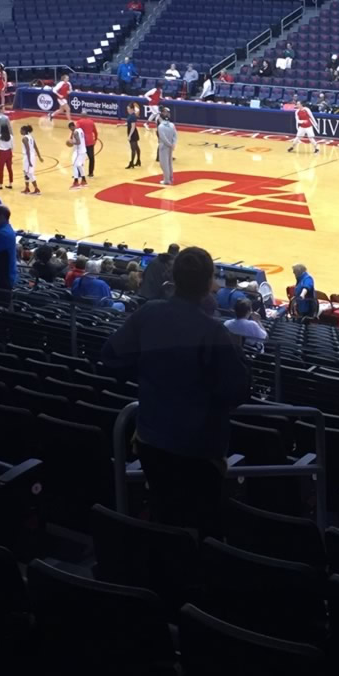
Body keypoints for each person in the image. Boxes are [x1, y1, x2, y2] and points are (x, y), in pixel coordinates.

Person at [97, 246, 251, 533]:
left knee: (163, 510)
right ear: (208, 284)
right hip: (199, 449)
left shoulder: (148, 314)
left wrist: (150, 372)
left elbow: (110, 358)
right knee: (199, 523)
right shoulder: (214, 332)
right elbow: (239, 390)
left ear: (174, 279)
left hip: (151, 440)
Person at [156, 111, 178, 186]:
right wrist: (173, 144)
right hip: (170, 146)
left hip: (164, 147)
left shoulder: (160, 127)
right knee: (169, 163)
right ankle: (170, 177)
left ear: (160, 118)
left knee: (164, 164)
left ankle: (166, 180)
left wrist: (169, 144)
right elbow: (175, 135)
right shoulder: (172, 125)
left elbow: (163, 137)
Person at [0, 116, 14, 189]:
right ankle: (10, 183)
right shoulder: (11, 136)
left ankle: (0, 185)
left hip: (2, 153)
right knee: (10, 169)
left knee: (1, 169)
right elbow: (12, 146)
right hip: (9, 152)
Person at [21, 123, 41, 194]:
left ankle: (36, 189)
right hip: (31, 156)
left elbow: (28, 150)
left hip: (28, 156)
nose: (20, 131)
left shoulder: (24, 138)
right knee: (25, 173)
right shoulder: (31, 137)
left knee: (30, 174)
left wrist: (29, 161)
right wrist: (39, 157)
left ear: (24, 131)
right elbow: (36, 147)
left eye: (21, 130)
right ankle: (27, 188)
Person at [125, 103, 143, 168]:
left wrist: (129, 136)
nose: (127, 110)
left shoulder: (133, 116)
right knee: (136, 147)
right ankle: (138, 160)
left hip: (133, 133)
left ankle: (132, 162)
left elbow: (133, 127)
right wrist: (121, 125)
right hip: (133, 133)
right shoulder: (130, 115)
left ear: (132, 109)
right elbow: (128, 123)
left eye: (128, 109)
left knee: (133, 149)